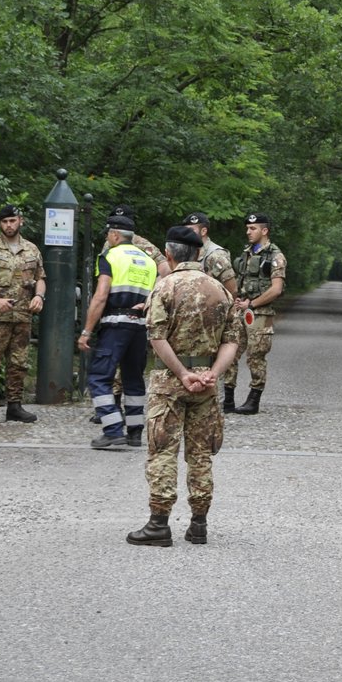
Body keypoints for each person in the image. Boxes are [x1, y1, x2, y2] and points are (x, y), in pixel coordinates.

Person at [128, 225, 242, 547]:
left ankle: (159, 524)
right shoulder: (221, 291)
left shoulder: (164, 288)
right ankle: (199, 524)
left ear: (168, 254)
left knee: (162, 450)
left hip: (169, 381)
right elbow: (232, 341)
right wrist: (212, 373)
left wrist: (180, 373)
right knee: (201, 453)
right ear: (197, 253)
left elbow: (156, 337)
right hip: (205, 384)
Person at [78, 215, 157, 449]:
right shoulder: (148, 260)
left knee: (99, 377)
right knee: (133, 379)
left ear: (114, 235)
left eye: (107, 235)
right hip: (139, 327)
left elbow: (101, 294)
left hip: (115, 323)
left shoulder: (110, 256)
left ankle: (112, 430)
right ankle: (135, 433)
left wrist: (86, 331)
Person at [0, 205, 45, 425]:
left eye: (12, 220)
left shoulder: (31, 250)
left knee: (19, 363)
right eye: (4, 222)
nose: (9, 225)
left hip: (22, 315)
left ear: (20, 221)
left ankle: (14, 405)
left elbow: (41, 277)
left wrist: (39, 296)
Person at [229, 212, 287, 415]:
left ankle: (253, 400)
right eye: (247, 228)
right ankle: (228, 399)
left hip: (260, 314)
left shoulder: (275, 256)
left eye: (252, 228)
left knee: (256, 356)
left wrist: (251, 304)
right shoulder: (247, 252)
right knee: (230, 352)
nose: (248, 232)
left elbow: (276, 289)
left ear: (265, 230)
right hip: (242, 310)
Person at [182, 211, 239, 409]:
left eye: (192, 230)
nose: (187, 233)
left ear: (203, 231)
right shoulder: (189, 251)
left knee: (212, 358)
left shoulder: (215, 255)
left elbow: (231, 289)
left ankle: (220, 399)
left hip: (212, 315)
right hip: (192, 315)